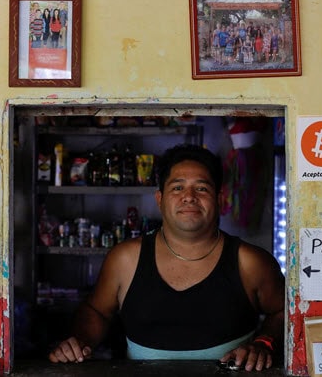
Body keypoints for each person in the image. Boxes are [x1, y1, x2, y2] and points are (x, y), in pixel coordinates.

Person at [48, 144, 285, 372]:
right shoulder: (126, 259)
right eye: (177, 188)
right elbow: (96, 311)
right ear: (160, 199)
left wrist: (264, 343)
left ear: (220, 199)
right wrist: (78, 342)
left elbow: (284, 311)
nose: (189, 197)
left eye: (202, 188)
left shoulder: (251, 262)